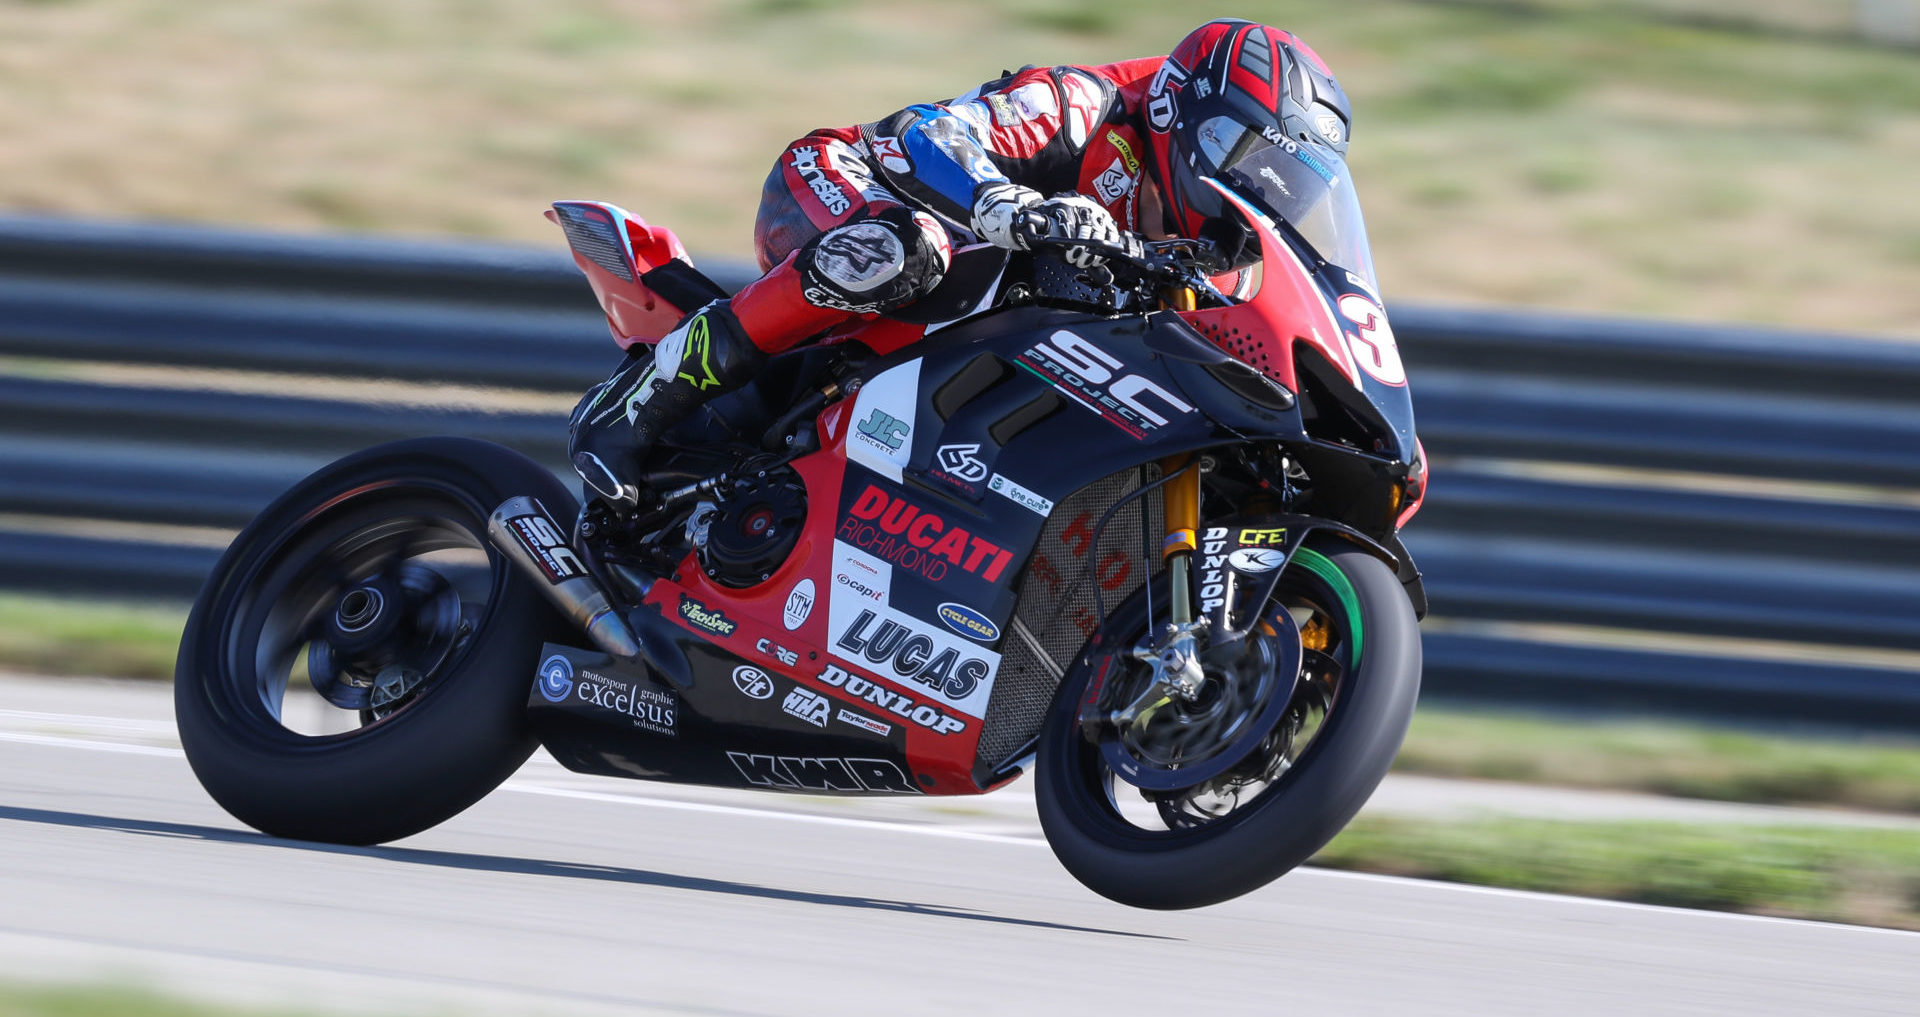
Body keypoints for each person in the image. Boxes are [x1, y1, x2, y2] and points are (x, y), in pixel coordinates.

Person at [569, 18, 1352, 512]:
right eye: (1241, 163)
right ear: (1181, 114)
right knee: (907, 248)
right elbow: (924, 136)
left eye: (1284, 189)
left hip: (963, 299)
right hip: (848, 185)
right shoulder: (1084, 106)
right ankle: (642, 399)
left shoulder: (1220, 251)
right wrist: (1013, 208)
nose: (1252, 197)